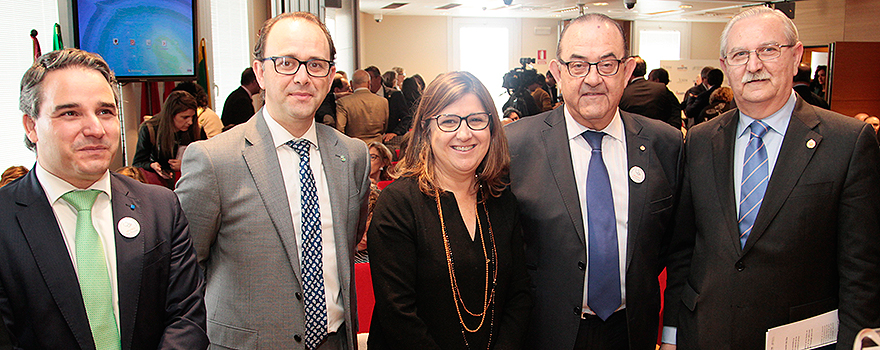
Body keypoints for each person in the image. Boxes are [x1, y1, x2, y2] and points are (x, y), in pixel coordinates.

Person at [662, 7, 880, 350]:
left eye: (768, 50)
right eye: (740, 55)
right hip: (705, 333)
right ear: (725, 66)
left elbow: (862, 270)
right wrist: (671, 335)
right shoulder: (701, 140)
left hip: (800, 339)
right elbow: (684, 250)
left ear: (795, 57)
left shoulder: (848, 142)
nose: (753, 65)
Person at [175, 12, 370, 349]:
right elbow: (183, 273)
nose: (302, 77)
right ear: (261, 72)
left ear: (329, 75)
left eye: (316, 64)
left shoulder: (353, 156)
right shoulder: (213, 159)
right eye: (286, 62)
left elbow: (347, 243)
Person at [1, 48, 207, 349]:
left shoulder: (161, 208)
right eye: (70, 113)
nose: (95, 129)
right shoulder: (6, 220)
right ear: (32, 126)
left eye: (105, 112)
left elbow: (186, 318)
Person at [506, 13, 682, 350]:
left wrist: (671, 335)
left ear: (628, 71)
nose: (593, 79)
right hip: (544, 334)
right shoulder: (515, 145)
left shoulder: (666, 144)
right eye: (578, 65)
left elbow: (676, 251)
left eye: (607, 64)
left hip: (633, 332)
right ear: (557, 73)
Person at [368, 71, 532, 349]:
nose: (464, 134)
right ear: (425, 129)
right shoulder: (398, 205)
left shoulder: (502, 200)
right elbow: (398, 314)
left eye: (477, 120)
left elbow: (519, 295)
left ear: (492, 128)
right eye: (449, 121)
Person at [132, 90, 205, 189]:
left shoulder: (197, 130)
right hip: (160, 187)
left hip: (191, 185)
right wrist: (151, 165)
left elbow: (206, 161)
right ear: (171, 115)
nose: (190, 122)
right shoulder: (150, 129)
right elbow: (137, 163)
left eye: (192, 117)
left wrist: (186, 164)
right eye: (185, 117)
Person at [619, 56, 683, 129]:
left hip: (630, 135)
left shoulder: (623, 93)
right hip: (659, 134)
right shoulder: (661, 89)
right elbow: (675, 111)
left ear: (628, 70)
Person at [335, 69, 390, 144]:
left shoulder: (343, 102)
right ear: (369, 83)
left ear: (351, 83)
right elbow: (385, 127)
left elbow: (340, 129)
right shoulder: (383, 101)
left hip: (354, 146)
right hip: (377, 146)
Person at [366, 66, 411, 142]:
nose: (368, 83)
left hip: (389, 140)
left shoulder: (395, 95)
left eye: (370, 79)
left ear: (379, 79)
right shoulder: (365, 97)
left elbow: (406, 118)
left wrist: (395, 133)